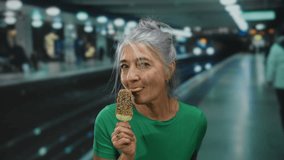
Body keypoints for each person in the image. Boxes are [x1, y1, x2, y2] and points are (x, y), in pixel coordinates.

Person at [93, 19, 207, 160]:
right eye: (124, 66)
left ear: (168, 70)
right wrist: (127, 156)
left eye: (144, 64)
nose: (130, 77)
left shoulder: (196, 120)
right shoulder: (108, 119)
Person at [266, 30, 284, 130]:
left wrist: (269, 79)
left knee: (283, 107)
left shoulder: (276, 48)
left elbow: (271, 65)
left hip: (281, 84)